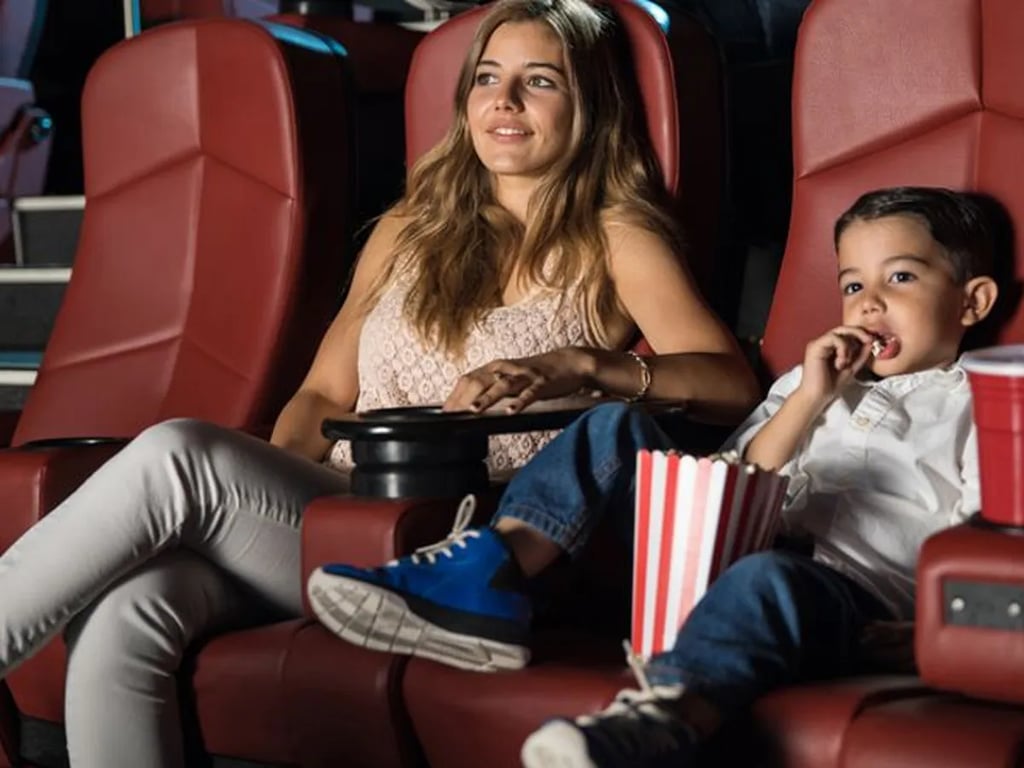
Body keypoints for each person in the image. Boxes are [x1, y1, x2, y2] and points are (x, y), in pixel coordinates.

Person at [0, 0, 757, 766]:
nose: (504, 101)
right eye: (488, 78)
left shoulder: (615, 234)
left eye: (540, 82)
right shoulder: (410, 229)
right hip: (338, 516)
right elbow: (323, 394)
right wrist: (256, 500)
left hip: (461, 536)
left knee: (178, 455)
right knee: (128, 607)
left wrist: (582, 364)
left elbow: (728, 384)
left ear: (590, 106)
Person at [308, 186, 999, 766]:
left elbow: (985, 535)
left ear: (972, 302)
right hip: (724, 551)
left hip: (847, 596)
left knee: (767, 581)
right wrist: (812, 397)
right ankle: (487, 580)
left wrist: (920, 632)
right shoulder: (808, 381)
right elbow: (732, 482)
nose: (869, 302)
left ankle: (659, 721)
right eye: (853, 285)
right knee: (612, 426)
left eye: (900, 278)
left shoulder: (985, 396)